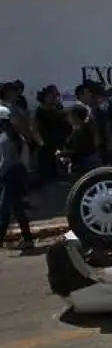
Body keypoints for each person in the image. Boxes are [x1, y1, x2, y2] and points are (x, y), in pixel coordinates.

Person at [0, 105, 34, 249]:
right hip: (18, 173)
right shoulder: (15, 136)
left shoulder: (4, 138)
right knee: (16, 208)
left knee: (4, 209)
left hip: (10, 175)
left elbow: (5, 162)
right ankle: (27, 239)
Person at [57, 105, 100, 178]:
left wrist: (60, 153)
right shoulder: (86, 127)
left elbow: (76, 149)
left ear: (76, 117)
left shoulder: (79, 131)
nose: (68, 119)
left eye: (69, 116)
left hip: (82, 164)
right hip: (89, 161)